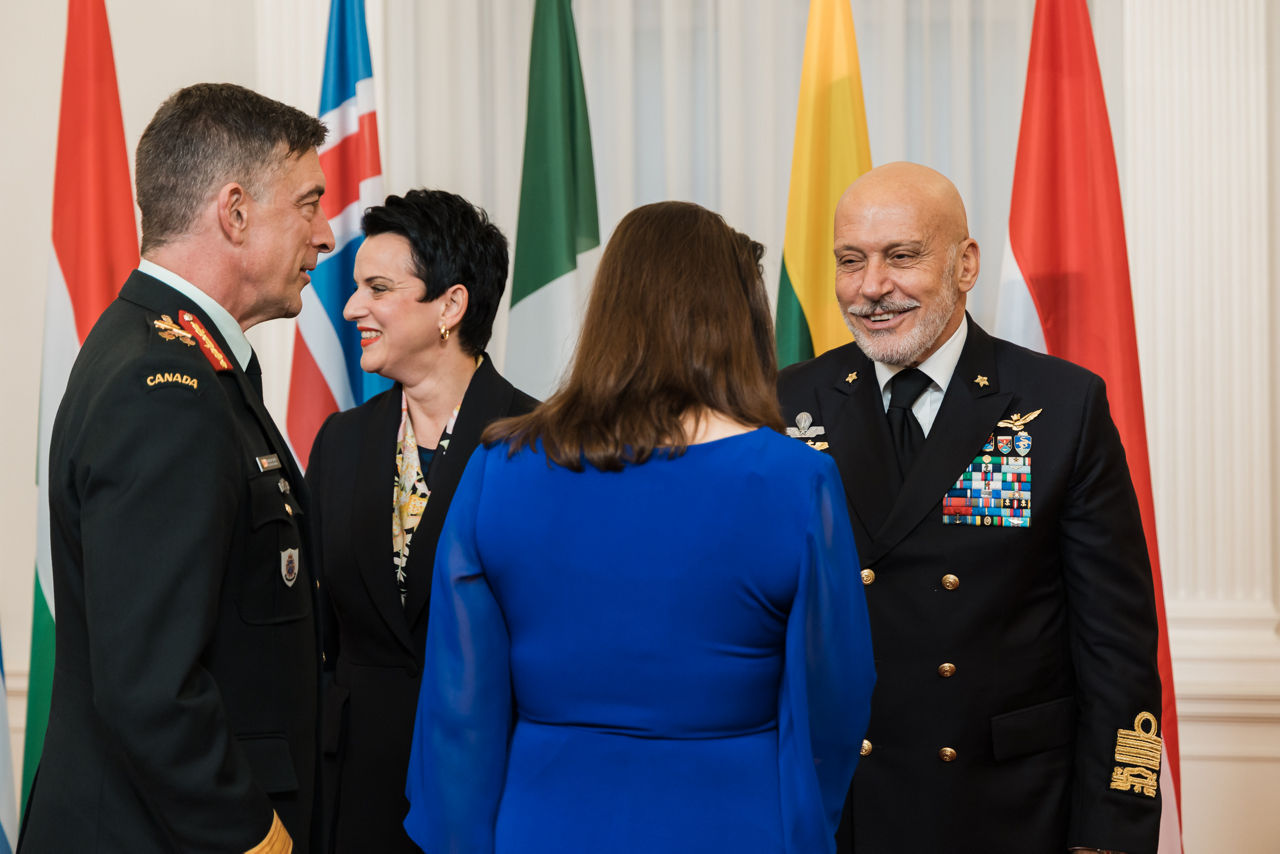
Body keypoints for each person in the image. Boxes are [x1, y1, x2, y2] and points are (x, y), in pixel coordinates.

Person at [401, 201, 875, 854]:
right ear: (738, 318)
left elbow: (459, 705)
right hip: (735, 821)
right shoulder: (797, 480)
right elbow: (835, 701)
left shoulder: (499, 467)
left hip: (545, 822)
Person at [777, 161, 1164, 854]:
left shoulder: (1060, 405)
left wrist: (1113, 826)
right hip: (841, 809)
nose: (871, 288)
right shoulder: (783, 403)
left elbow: (1116, 643)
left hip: (1006, 807)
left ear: (965, 264)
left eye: (902, 257)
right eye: (850, 261)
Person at [18, 83, 333, 853]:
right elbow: (150, 689)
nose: (325, 236)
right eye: (307, 203)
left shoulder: (180, 357)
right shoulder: (165, 386)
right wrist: (254, 836)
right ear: (234, 212)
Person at [304, 188, 537, 852]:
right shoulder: (340, 443)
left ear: (450, 306)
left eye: (378, 288)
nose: (351, 308)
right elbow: (316, 638)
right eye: (356, 288)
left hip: (491, 790)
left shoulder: (539, 443)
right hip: (357, 795)